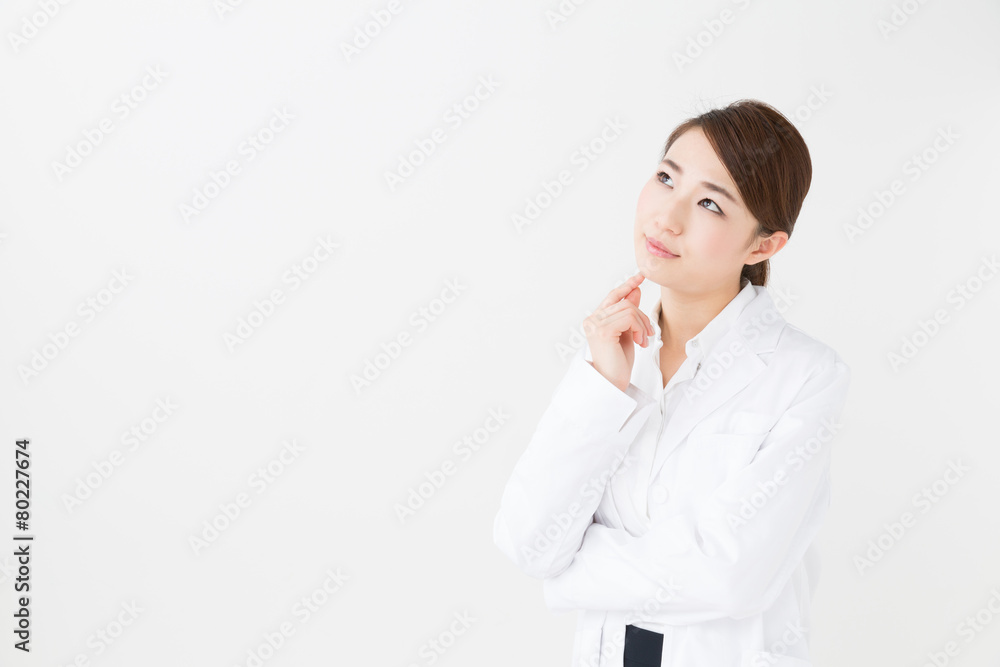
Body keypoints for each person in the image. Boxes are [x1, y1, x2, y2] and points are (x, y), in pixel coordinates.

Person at [493, 99, 851, 667]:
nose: (667, 217)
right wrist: (606, 388)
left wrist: (568, 576)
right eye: (666, 178)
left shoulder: (804, 375)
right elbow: (529, 540)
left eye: (710, 203)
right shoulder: (610, 351)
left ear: (764, 245)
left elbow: (729, 576)